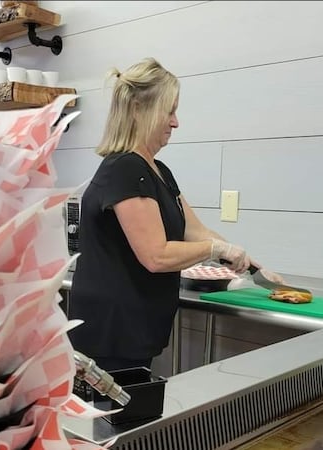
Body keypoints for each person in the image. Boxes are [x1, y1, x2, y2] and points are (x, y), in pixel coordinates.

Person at [67, 57, 283, 372]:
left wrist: (251, 264)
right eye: (169, 111)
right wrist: (216, 250)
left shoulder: (158, 171)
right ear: (139, 110)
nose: (175, 122)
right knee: (115, 418)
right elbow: (156, 255)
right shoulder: (124, 168)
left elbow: (194, 231)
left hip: (134, 328)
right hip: (111, 334)